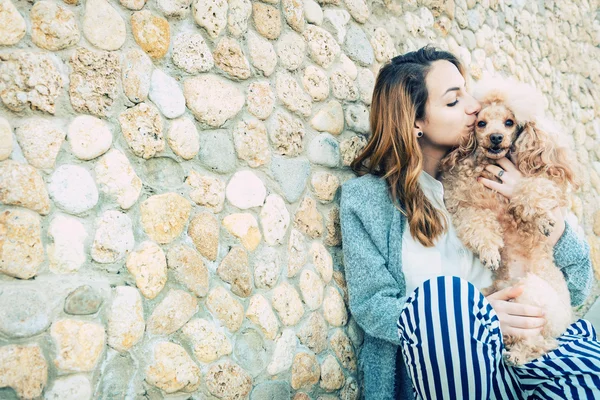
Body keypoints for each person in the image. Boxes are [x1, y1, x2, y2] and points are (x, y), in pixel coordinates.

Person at [339, 45, 600, 400]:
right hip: (449, 371)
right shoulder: (367, 201)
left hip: (527, 358)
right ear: (415, 121)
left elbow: (579, 283)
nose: (473, 106)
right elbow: (372, 306)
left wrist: (537, 208)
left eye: (467, 91)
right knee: (444, 295)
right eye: (453, 100)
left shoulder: (502, 173)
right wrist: (475, 318)